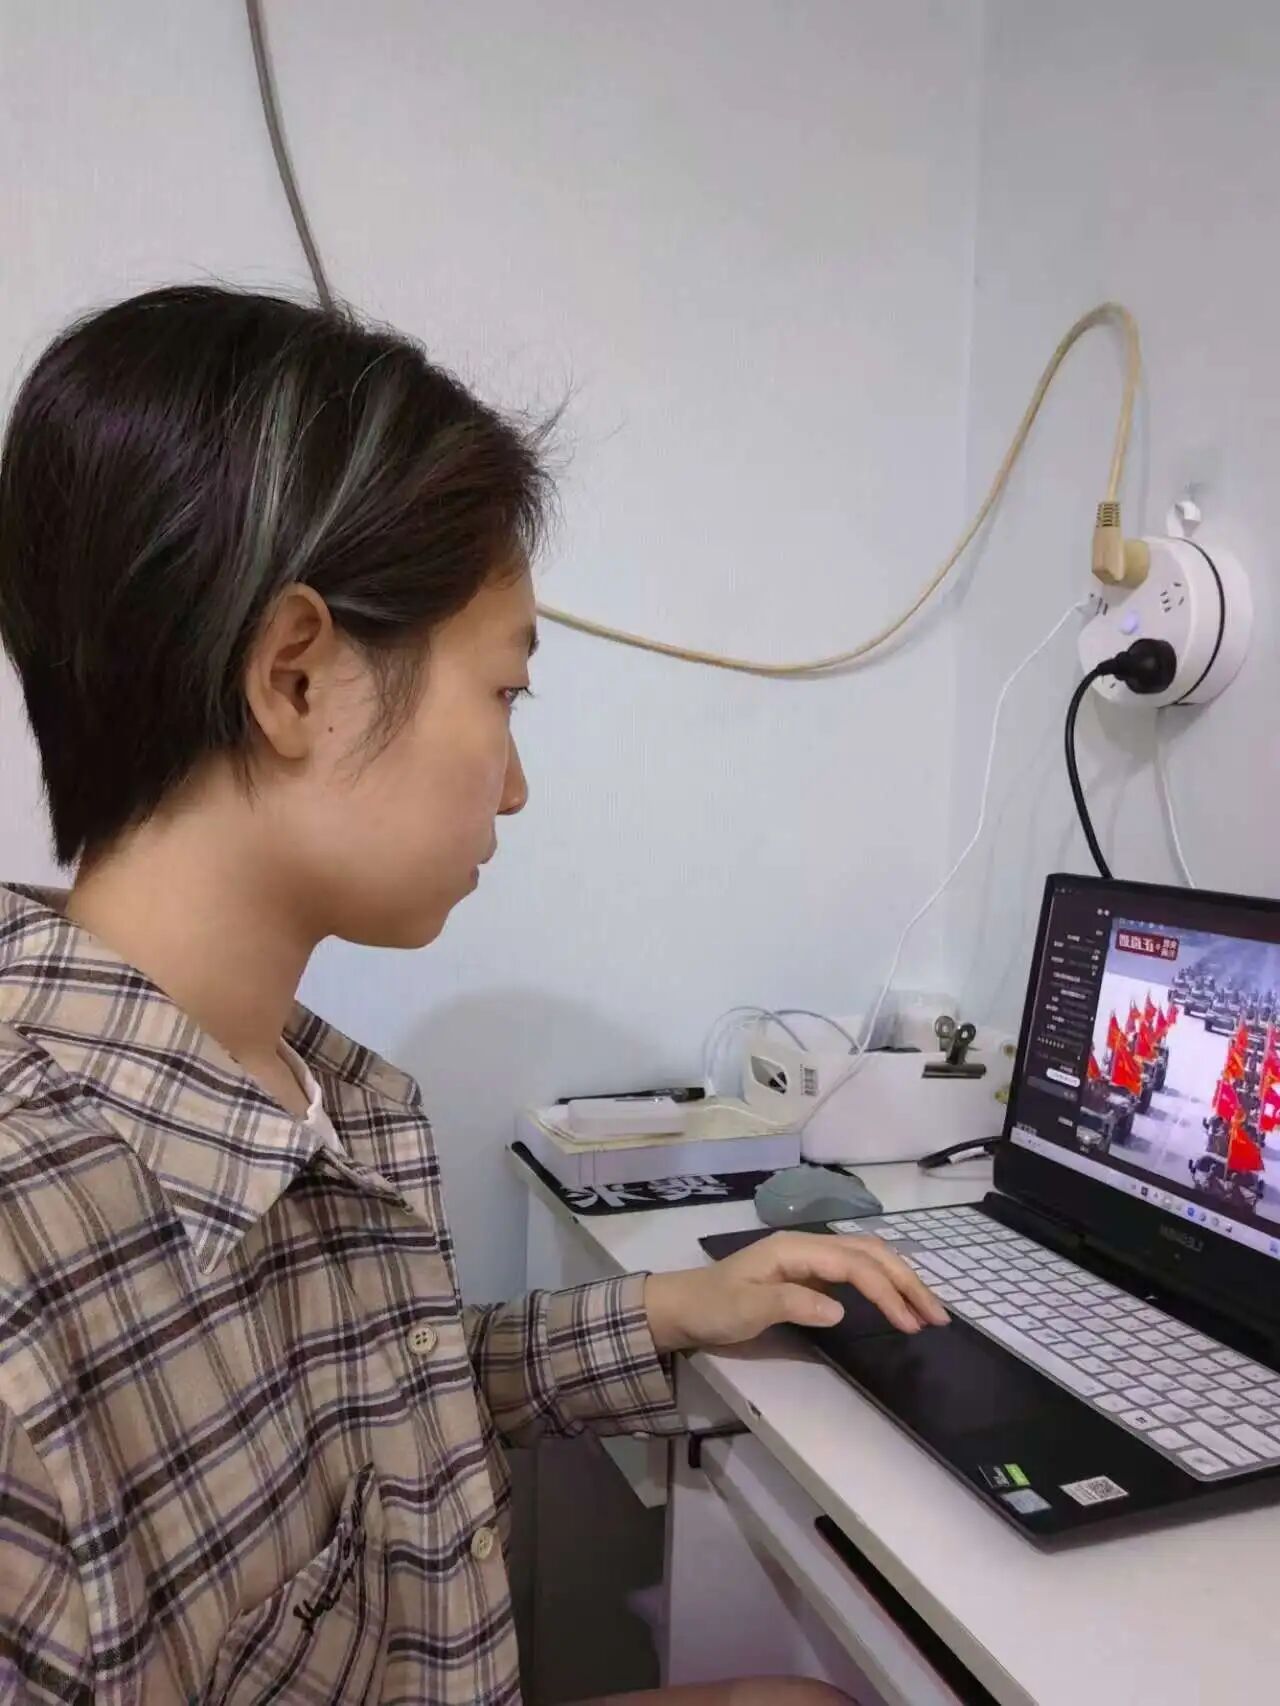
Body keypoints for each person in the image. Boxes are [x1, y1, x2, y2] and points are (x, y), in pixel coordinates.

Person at [0, 286, 947, 1706]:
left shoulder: (321, 1097)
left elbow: (389, 1392)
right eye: (504, 694)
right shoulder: (32, 1274)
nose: (514, 785)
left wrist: (676, 1307)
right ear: (297, 679)